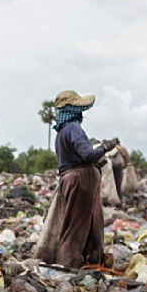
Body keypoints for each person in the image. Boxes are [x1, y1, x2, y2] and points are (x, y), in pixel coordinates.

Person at [35, 90, 116, 268]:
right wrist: (105, 147)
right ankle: (67, 265)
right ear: (73, 110)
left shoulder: (62, 132)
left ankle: (91, 261)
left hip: (72, 179)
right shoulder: (73, 128)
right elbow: (87, 155)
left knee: (90, 223)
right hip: (81, 180)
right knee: (77, 227)